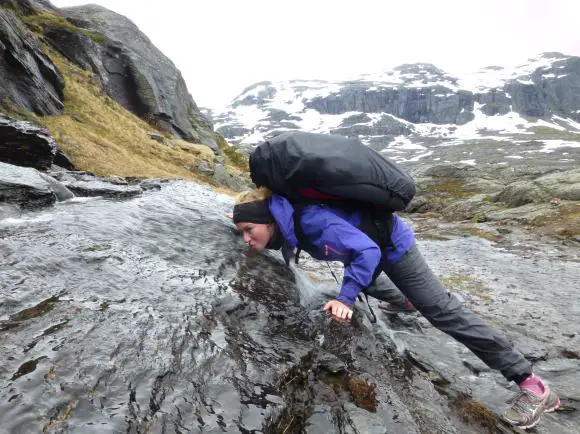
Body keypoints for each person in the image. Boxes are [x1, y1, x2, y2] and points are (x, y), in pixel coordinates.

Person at [231, 187, 560, 429]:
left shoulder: (310, 221)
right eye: (240, 233)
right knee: (366, 280)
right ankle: (404, 300)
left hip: (390, 245)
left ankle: (532, 385)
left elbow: (367, 252)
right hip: (366, 246)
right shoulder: (285, 223)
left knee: (441, 311)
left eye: (249, 230)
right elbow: (286, 247)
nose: (246, 238)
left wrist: (345, 299)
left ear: (267, 220)